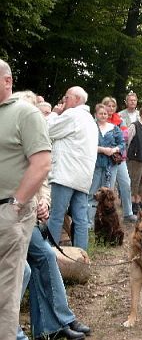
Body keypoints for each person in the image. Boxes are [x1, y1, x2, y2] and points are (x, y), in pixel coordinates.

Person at [0, 60, 51, 339]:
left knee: (6, 294)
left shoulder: (25, 113)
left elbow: (42, 164)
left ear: (8, 81)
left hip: (10, 214)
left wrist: (16, 205)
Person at [20, 185, 91, 340]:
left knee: (42, 259)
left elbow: (43, 180)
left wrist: (44, 202)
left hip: (29, 216)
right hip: (14, 216)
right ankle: (60, 321)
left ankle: (48, 328)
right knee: (44, 256)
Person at [47, 86, 98, 251]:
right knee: (81, 219)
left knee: (56, 216)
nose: (63, 101)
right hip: (83, 177)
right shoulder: (91, 120)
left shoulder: (72, 114)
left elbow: (48, 129)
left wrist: (54, 113)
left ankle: (51, 255)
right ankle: (81, 257)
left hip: (66, 175)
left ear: (77, 99)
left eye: (66, 97)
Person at [102, 96, 142, 218]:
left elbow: (124, 137)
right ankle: (106, 213)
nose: (110, 108)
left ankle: (128, 213)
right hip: (106, 158)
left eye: (113, 106)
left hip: (119, 157)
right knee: (109, 186)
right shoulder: (100, 119)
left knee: (126, 183)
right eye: (108, 105)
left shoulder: (119, 120)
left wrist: (116, 142)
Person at [87, 103, 125, 227]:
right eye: (100, 113)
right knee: (93, 193)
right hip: (95, 165)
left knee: (107, 195)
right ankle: (89, 222)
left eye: (105, 113)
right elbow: (86, 144)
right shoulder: (91, 127)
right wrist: (102, 149)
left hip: (110, 166)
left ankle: (105, 222)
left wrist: (114, 150)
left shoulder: (114, 128)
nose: (103, 116)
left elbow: (122, 144)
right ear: (95, 114)